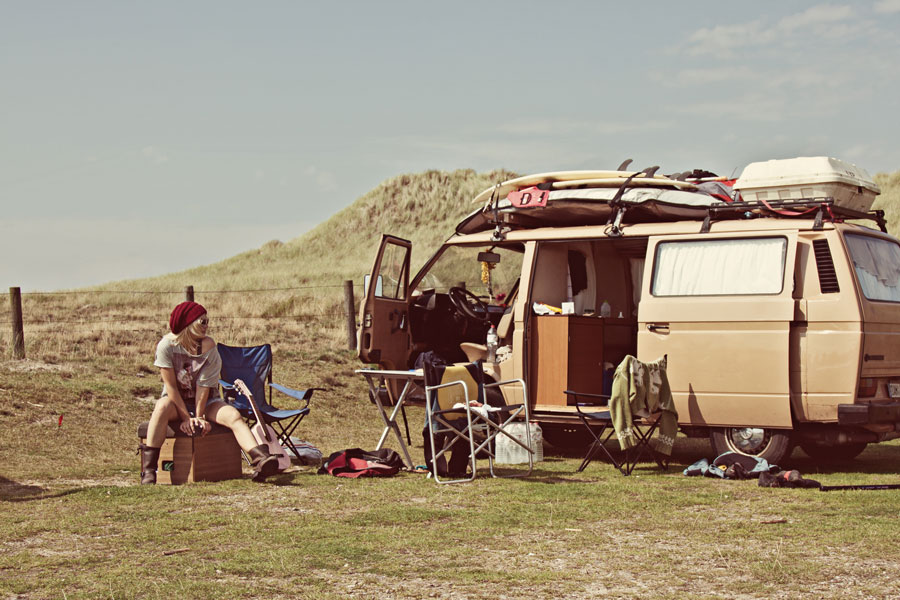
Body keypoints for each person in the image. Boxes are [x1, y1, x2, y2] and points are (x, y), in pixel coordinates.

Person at [138, 301, 280, 484]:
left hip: (207, 402)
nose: (207, 325)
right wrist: (186, 418)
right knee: (160, 407)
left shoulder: (209, 348)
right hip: (175, 402)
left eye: (207, 321)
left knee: (232, 415)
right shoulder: (166, 346)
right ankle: (149, 470)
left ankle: (260, 458)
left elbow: (204, 388)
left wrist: (198, 418)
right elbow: (171, 388)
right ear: (188, 324)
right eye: (202, 322)